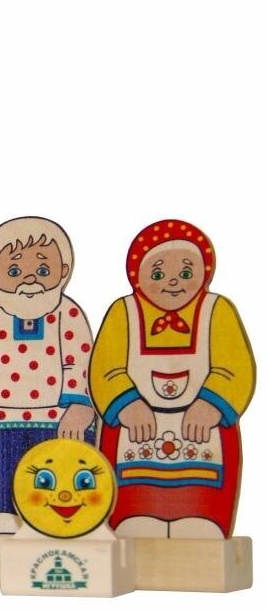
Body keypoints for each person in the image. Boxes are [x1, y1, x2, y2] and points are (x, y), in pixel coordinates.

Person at [90, 220, 255, 539]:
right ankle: (133, 516)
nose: (173, 281)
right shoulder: (123, 312)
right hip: (134, 436)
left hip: (203, 435)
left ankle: (204, 518)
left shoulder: (217, 310)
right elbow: (105, 368)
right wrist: (127, 403)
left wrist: (211, 403)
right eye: (157, 274)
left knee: (203, 500)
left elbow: (235, 366)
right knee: (133, 505)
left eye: (186, 272)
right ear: (137, 276)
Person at [0, 216, 96, 533]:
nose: (30, 280)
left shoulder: (69, 313)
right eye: (14, 272)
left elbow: (79, 362)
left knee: (59, 470)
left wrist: (79, 406)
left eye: (43, 271)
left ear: (64, 271)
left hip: (57, 418)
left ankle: (56, 520)